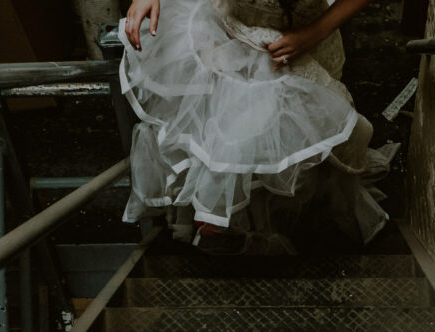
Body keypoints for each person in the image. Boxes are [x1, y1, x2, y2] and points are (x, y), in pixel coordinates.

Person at [120, 0, 398, 254]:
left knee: (299, 140)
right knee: (236, 127)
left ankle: (285, 227)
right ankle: (231, 225)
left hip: (303, 39)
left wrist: (312, 34)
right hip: (234, 30)